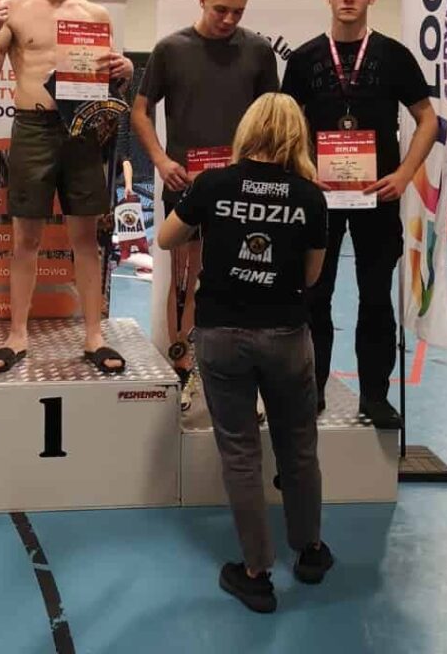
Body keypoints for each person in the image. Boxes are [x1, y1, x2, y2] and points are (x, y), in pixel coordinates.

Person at [158, 93, 333, 614]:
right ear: (296, 135)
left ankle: (255, 572)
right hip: (285, 335)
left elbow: (167, 238)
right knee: (298, 446)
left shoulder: (213, 183)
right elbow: (311, 276)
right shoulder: (310, 196)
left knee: (240, 452)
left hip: (222, 335)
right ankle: (310, 550)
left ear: (248, 130)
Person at [281, 0, 437, 430]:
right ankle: (312, 389)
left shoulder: (394, 55)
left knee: (375, 299)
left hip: (378, 198)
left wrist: (405, 174)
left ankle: (374, 395)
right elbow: (287, 124)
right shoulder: (304, 59)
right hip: (319, 200)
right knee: (314, 296)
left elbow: (427, 119)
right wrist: (305, 170)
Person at [0, 0, 133, 374]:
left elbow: (106, 80)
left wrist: (123, 69)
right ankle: (17, 335)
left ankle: (94, 335)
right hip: (34, 128)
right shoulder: (14, 11)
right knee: (25, 238)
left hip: (82, 131)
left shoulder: (95, 16)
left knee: (85, 238)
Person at [131, 0, 278, 402]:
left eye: (238, 11)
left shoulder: (259, 51)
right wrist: (160, 160)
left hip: (244, 187)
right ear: (201, 0)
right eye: (220, 10)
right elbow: (139, 111)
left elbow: (272, 117)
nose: (229, 19)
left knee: (243, 276)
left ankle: (238, 368)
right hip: (187, 184)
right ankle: (183, 367)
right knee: (186, 278)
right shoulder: (170, 49)